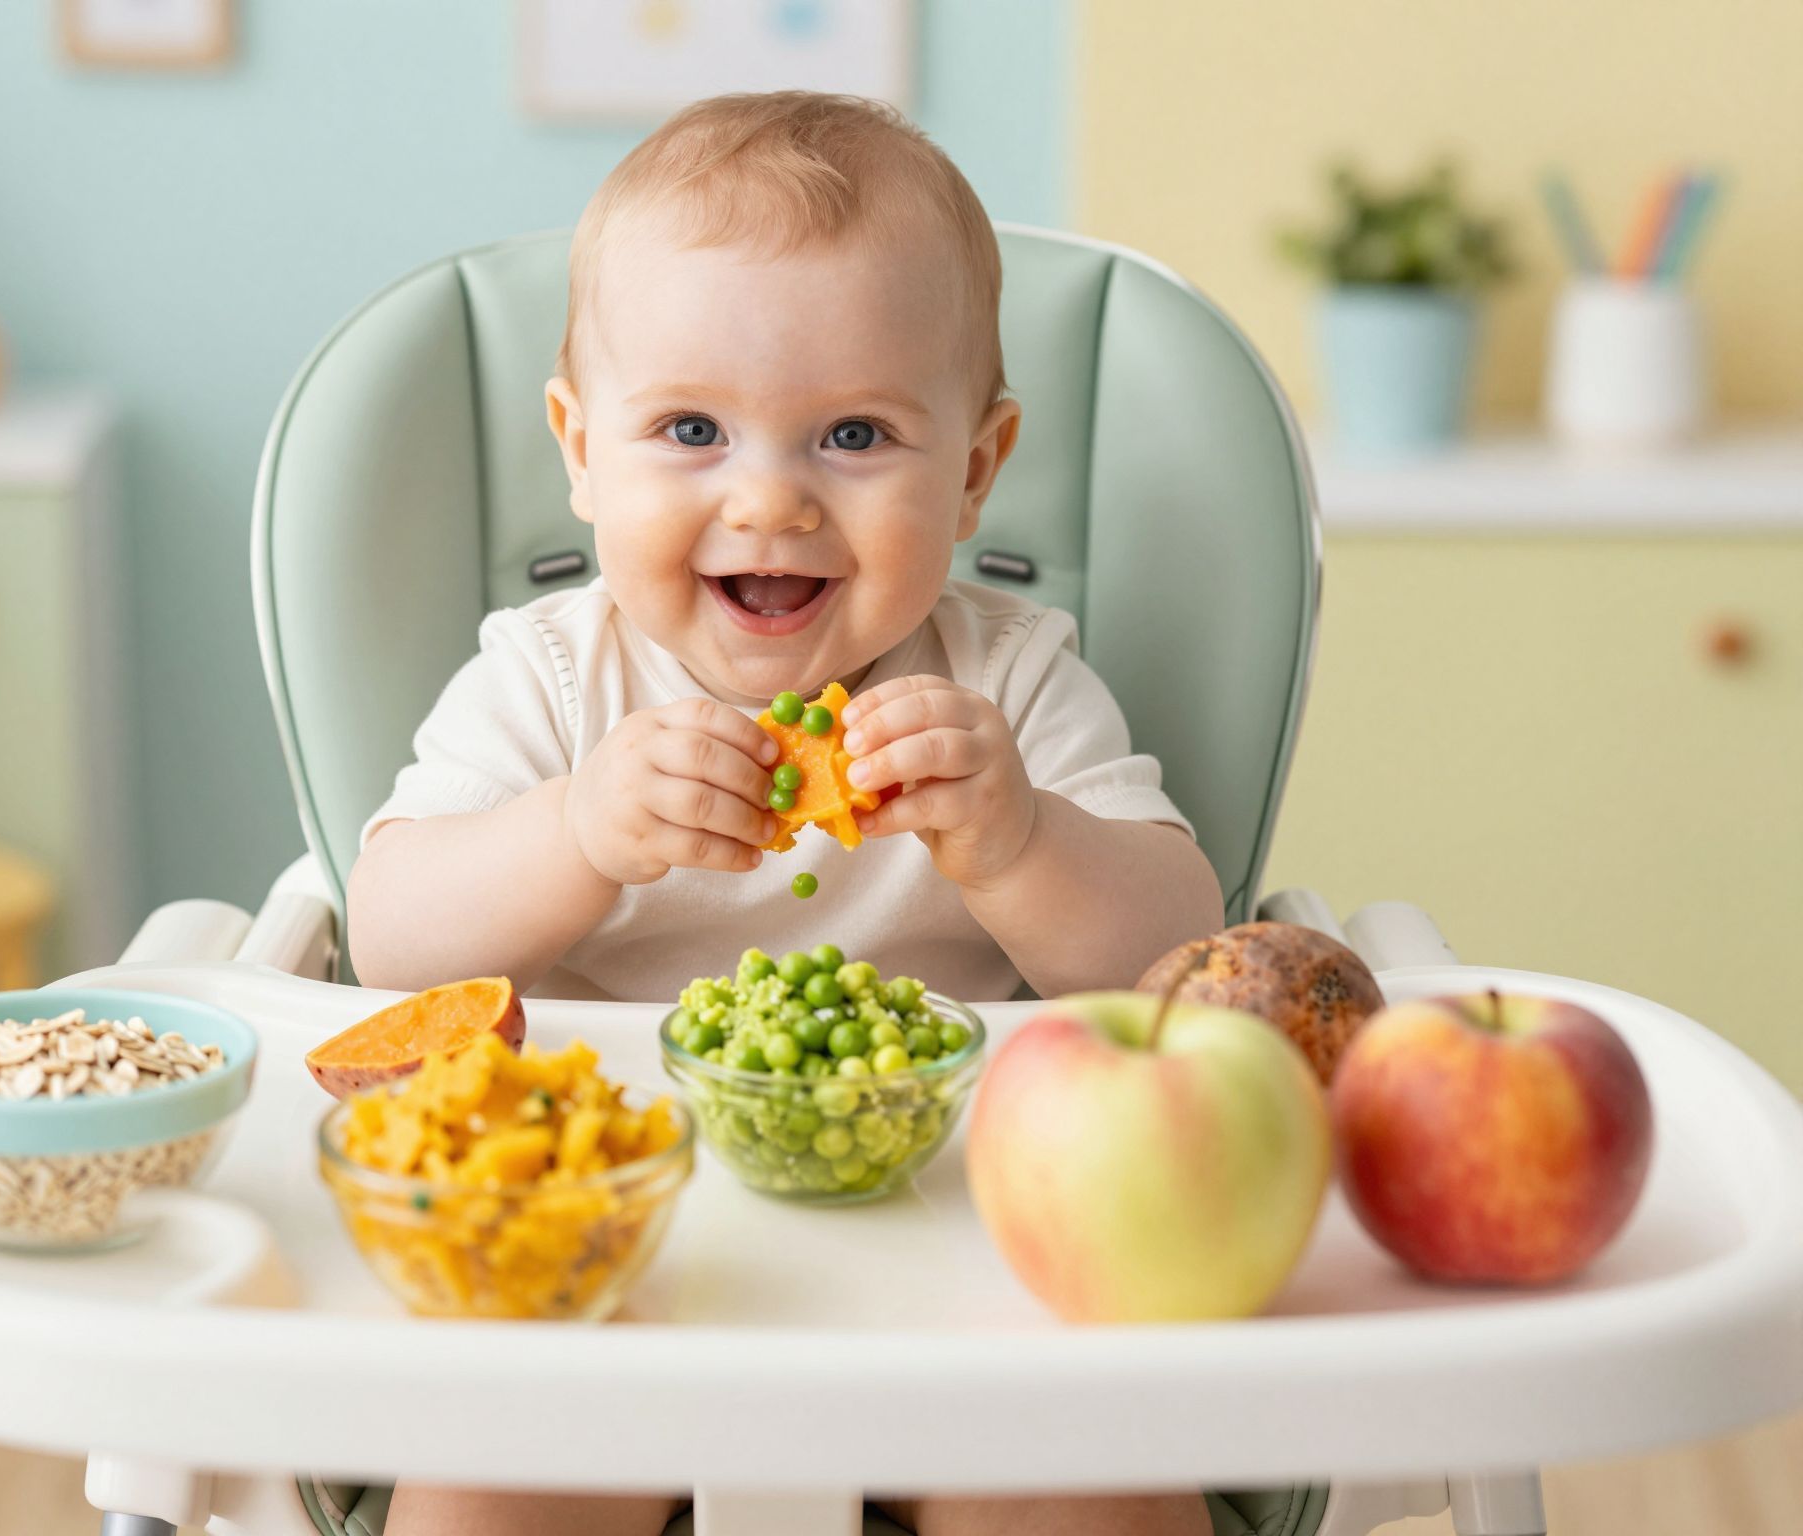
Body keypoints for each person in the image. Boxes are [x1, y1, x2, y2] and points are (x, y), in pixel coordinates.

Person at [350, 90, 1222, 1536]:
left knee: (1097, 1482)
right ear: (579, 448)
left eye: (855, 435)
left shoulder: (1007, 685)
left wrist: (1017, 841)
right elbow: (388, 941)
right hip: (599, 1241)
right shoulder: (552, 679)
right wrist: (574, 833)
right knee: (485, 1485)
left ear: (976, 472)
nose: (770, 501)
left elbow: (1178, 960)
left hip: (978, 1243)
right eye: (690, 428)